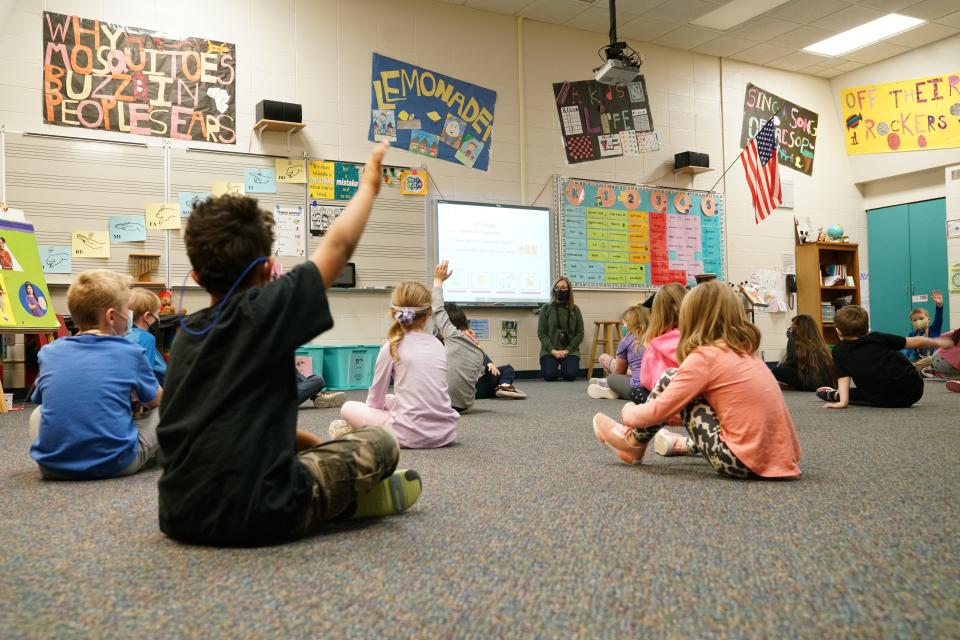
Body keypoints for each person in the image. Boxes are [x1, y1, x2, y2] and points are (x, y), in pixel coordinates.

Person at [157, 143, 422, 547]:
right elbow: (337, 247)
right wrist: (368, 185)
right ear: (267, 269)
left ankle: (330, 492)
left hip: (179, 514)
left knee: (311, 453)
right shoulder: (265, 311)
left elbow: (222, 423)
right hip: (262, 512)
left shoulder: (185, 336)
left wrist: (313, 446)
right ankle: (347, 504)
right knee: (381, 442)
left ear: (195, 276)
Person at [591, 281, 801, 479]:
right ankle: (645, 442)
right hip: (782, 458)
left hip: (741, 461)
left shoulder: (704, 357)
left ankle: (632, 441)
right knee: (686, 390)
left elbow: (659, 410)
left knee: (668, 378)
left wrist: (629, 412)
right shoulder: (744, 353)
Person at [28, 270, 162, 479]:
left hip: (51, 467)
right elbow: (156, 401)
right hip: (116, 464)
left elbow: (44, 399)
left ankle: (58, 456)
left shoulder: (49, 352)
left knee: (38, 413)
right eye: (128, 307)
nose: (129, 313)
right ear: (110, 316)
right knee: (165, 411)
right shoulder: (130, 352)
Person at [332, 280, 460, 448]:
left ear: (394, 313)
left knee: (348, 407)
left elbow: (374, 402)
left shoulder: (391, 346)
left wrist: (380, 410)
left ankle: (365, 432)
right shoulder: (438, 344)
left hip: (407, 435)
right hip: (445, 434)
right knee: (391, 399)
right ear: (428, 313)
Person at [431, 261, 526, 411]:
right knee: (505, 369)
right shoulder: (478, 350)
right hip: (466, 406)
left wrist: (438, 280)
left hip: (442, 405)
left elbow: (437, 308)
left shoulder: (445, 338)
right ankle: (503, 386)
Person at [816, 305, 952, 409]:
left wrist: (843, 402)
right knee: (895, 352)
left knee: (858, 393)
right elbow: (915, 341)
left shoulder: (838, 350)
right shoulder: (877, 337)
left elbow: (843, 376)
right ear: (866, 327)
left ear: (838, 330)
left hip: (879, 398)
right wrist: (937, 342)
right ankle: (920, 368)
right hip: (912, 391)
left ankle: (835, 394)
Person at [587, 305, 650, 402]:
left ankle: (613, 389)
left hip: (637, 388)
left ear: (630, 325)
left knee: (612, 378)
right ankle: (612, 388)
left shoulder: (626, 341)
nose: (623, 327)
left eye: (624, 324)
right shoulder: (654, 337)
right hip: (655, 386)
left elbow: (620, 372)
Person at [637, 282, 686, 397]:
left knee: (635, 390)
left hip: (666, 400)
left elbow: (645, 381)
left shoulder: (654, 343)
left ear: (657, 314)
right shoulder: (693, 337)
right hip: (691, 395)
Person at [769, 314, 835, 391]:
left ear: (797, 328)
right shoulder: (820, 342)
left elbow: (790, 364)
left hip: (810, 384)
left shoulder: (793, 341)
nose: (790, 329)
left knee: (776, 370)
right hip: (827, 383)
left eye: (792, 326)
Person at [538, 277, 584, 381]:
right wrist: (552, 350)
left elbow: (580, 333)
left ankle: (566, 367)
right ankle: (554, 367)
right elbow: (541, 333)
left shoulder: (575, 309)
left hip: (570, 351)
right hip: (550, 351)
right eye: (557, 287)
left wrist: (568, 350)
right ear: (553, 289)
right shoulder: (546, 308)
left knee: (570, 375)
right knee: (549, 376)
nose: (559, 290)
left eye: (563, 288)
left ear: (569, 291)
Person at [127, 288, 167, 385]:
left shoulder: (120, 333)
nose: (158, 318)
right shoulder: (146, 338)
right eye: (157, 314)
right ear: (147, 316)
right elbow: (146, 376)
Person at [905, 290, 943, 370]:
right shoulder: (912, 335)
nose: (918, 321)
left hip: (933, 361)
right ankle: (914, 368)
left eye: (921, 318)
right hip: (919, 361)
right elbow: (908, 351)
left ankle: (913, 369)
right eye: (914, 320)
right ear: (912, 322)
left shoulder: (934, 330)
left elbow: (939, 319)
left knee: (930, 359)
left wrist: (939, 305)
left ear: (928, 319)